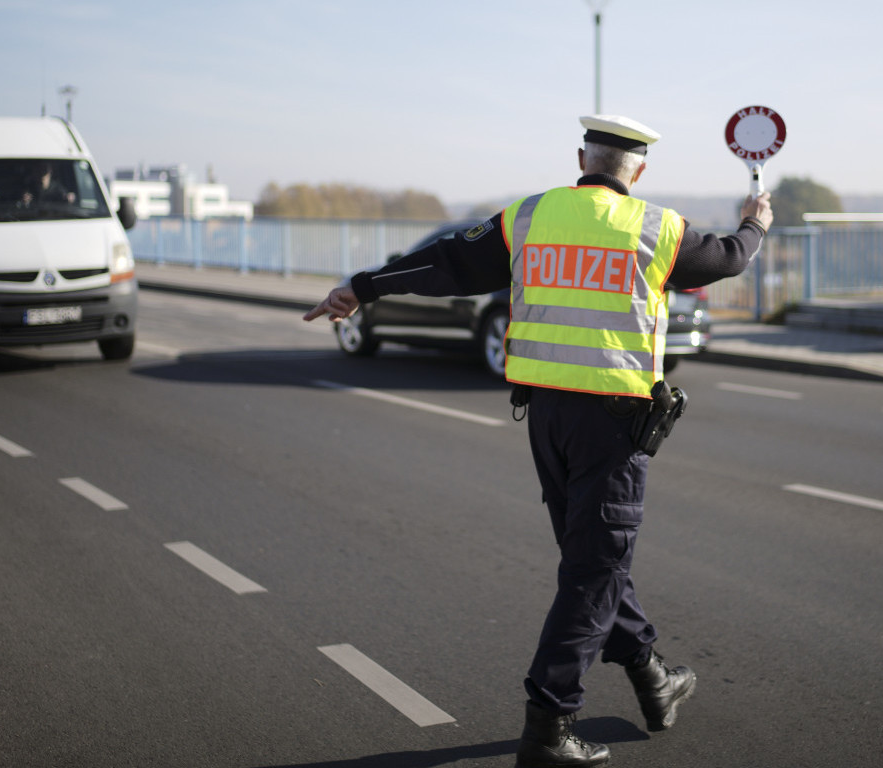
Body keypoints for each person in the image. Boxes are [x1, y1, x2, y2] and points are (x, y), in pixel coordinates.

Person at [304, 115, 773, 768]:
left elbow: (444, 264)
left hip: (547, 417)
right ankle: (549, 726)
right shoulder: (657, 230)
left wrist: (360, 288)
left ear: (582, 156)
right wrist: (756, 221)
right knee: (593, 570)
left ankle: (651, 677)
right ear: (638, 170)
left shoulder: (528, 218)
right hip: (613, 425)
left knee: (593, 560)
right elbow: (730, 257)